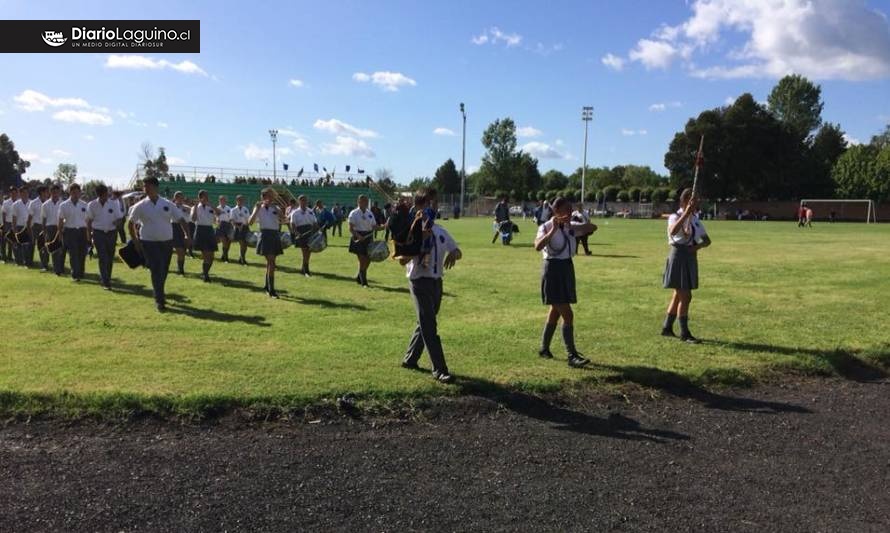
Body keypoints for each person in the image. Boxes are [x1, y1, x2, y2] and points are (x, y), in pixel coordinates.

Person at [399, 188, 462, 384]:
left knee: (425, 322)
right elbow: (402, 260)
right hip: (419, 282)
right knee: (429, 324)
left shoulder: (440, 230)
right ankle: (439, 369)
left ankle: (410, 360)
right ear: (418, 206)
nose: (432, 208)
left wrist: (454, 253)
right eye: (428, 204)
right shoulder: (412, 231)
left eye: (434, 204)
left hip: (437, 282)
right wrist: (420, 241)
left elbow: (457, 249)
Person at [535, 197, 596, 368]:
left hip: (567, 268)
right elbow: (538, 246)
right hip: (553, 270)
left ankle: (544, 349)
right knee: (567, 314)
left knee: (555, 311)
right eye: (566, 210)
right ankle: (572, 356)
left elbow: (592, 228)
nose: (569, 213)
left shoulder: (570, 226)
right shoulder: (545, 226)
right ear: (556, 211)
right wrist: (553, 229)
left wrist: (578, 224)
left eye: (571, 210)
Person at [128, 177, 191, 312]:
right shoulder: (140, 206)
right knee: (156, 269)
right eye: (144, 186)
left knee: (164, 269)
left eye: (148, 186)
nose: (145, 189)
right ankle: (159, 300)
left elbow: (181, 219)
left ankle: (159, 292)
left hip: (167, 242)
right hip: (149, 242)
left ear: (156, 187)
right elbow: (130, 223)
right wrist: (135, 240)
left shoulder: (167, 204)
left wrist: (187, 235)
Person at [661, 188, 711, 343]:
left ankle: (667, 327)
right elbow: (673, 231)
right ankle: (685, 333)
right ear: (685, 201)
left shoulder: (695, 219)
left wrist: (696, 247)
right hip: (678, 256)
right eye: (694, 200)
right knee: (686, 296)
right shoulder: (674, 217)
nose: (697, 202)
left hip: (689, 257)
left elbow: (707, 240)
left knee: (679, 294)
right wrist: (685, 214)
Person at [248, 188, 284, 298]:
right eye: (268, 196)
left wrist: (277, 209)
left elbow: (283, 219)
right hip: (265, 235)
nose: (270, 198)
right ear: (262, 197)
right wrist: (256, 209)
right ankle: (271, 290)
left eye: (271, 196)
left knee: (270, 263)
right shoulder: (258, 208)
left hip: (274, 235)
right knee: (271, 262)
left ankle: (267, 285)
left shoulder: (276, 207)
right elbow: (250, 222)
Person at [86, 184, 123, 290]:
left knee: (110, 256)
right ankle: (105, 280)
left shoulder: (114, 203)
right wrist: (89, 238)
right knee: (102, 256)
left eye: (107, 193)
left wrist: (117, 222)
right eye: (105, 194)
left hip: (111, 233)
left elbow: (120, 218)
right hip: (98, 233)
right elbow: (89, 222)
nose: (107, 195)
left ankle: (107, 277)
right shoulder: (92, 205)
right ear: (99, 194)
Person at [57, 184, 89, 281]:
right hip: (70, 231)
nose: (75, 194)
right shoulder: (63, 205)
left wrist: (89, 234)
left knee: (82, 253)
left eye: (77, 192)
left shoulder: (85, 205)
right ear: (70, 192)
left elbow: (88, 221)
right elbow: (60, 220)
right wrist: (60, 234)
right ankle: (75, 274)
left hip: (82, 231)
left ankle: (81, 271)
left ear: (80, 193)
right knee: (73, 253)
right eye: (73, 192)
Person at [348, 194, 380, 287]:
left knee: (369, 259)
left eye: (366, 201)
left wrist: (383, 226)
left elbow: (374, 226)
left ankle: (359, 276)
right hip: (359, 237)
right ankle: (364, 282)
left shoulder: (369, 213)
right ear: (358, 202)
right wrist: (358, 236)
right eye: (362, 201)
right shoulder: (353, 213)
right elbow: (350, 228)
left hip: (368, 237)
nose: (364, 203)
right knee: (362, 260)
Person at [191, 190, 219, 283]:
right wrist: (195, 206)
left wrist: (211, 205)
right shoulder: (196, 207)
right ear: (200, 197)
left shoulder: (210, 206)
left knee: (212, 256)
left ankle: (205, 272)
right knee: (206, 254)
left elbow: (219, 213)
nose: (207, 198)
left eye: (207, 196)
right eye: (204, 196)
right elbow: (193, 218)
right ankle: (206, 275)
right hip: (200, 230)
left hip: (210, 230)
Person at [289, 194, 318, 277]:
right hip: (301, 232)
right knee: (305, 251)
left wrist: (316, 229)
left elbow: (314, 222)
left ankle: (304, 268)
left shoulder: (310, 211)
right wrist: (296, 232)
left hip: (310, 231)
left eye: (305, 200)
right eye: (302, 200)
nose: (304, 202)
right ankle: (306, 270)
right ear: (299, 201)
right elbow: (292, 223)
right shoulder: (295, 212)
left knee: (308, 251)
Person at [41, 185, 64, 275]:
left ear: (59, 193)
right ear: (50, 192)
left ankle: (59, 268)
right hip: (50, 228)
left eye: (57, 192)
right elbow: (43, 219)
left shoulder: (63, 203)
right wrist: (44, 231)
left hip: (61, 227)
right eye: (53, 192)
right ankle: (56, 269)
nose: (55, 194)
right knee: (53, 248)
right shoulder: (45, 204)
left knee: (61, 249)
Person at [27, 185, 49, 269]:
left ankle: (44, 264)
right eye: (46, 191)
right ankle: (29, 262)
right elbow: (29, 217)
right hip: (36, 226)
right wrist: (29, 228)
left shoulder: (48, 202)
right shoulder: (33, 203)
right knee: (32, 245)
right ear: (41, 192)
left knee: (44, 246)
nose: (47, 193)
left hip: (46, 226)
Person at [170, 191, 191, 275]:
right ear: (175, 198)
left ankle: (181, 269)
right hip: (174, 227)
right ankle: (180, 270)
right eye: (180, 197)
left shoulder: (186, 207)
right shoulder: (171, 207)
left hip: (184, 228)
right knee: (179, 250)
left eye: (182, 197)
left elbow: (192, 213)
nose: (182, 199)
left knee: (183, 249)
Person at [10, 186, 31, 266]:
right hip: (19, 226)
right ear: (20, 193)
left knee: (27, 245)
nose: (26, 194)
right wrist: (14, 229)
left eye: (27, 192)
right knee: (18, 245)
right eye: (24, 192)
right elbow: (14, 218)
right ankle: (18, 261)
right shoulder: (16, 204)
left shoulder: (31, 203)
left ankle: (27, 262)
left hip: (28, 227)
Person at [230, 195, 251, 265]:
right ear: (236, 201)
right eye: (239, 200)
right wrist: (237, 226)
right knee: (242, 243)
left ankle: (241, 258)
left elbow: (248, 219)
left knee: (245, 244)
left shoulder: (246, 209)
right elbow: (232, 220)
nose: (241, 201)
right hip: (238, 227)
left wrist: (244, 224)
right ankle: (243, 259)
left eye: (242, 200)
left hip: (245, 227)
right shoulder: (233, 210)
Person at [216, 195, 234, 262]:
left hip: (228, 225)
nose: (222, 201)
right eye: (221, 200)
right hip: (221, 225)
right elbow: (216, 217)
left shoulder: (229, 208)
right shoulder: (217, 208)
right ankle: (226, 257)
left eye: (224, 200)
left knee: (228, 242)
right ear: (219, 201)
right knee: (224, 242)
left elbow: (231, 218)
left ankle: (224, 255)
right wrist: (217, 221)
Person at [0, 187, 15, 263]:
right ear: (10, 193)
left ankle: (9, 256)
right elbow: (3, 214)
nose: (14, 194)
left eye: (15, 193)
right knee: (3, 241)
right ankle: (3, 256)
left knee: (11, 241)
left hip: (13, 223)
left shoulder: (17, 202)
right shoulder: (6, 202)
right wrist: (4, 224)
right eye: (12, 193)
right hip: (6, 223)